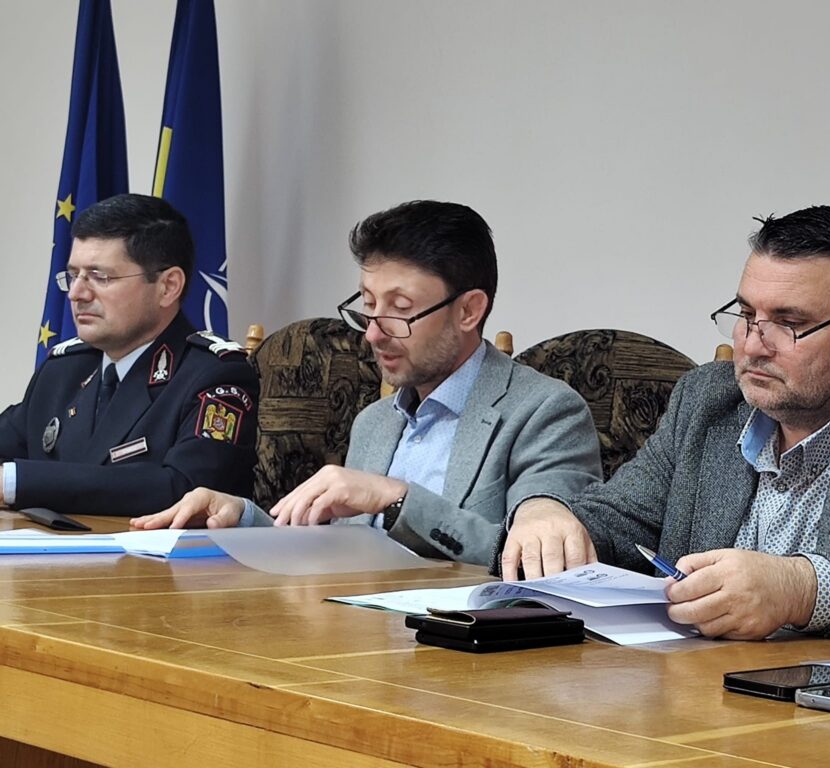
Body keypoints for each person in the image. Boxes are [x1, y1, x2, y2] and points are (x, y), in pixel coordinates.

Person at [501, 205, 830, 642]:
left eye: (789, 323)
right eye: (746, 314)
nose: (753, 343)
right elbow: (622, 520)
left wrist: (797, 588)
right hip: (702, 704)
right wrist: (546, 511)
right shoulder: (709, 399)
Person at [132, 200, 602, 568]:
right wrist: (240, 517)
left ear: (468, 311)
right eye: (369, 305)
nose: (373, 333)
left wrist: (395, 499)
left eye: (399, 308)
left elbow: (540, 561)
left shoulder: (546, 411)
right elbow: (343, 549)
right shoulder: (374, 422)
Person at [0, 194, 258, 516]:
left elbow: (185, 488)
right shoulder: (63, 370)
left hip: (155, 566)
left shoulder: (214, 375)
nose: (77, 293)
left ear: (168, 287)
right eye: (74, 275)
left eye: (100, 277)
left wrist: (14, 481)